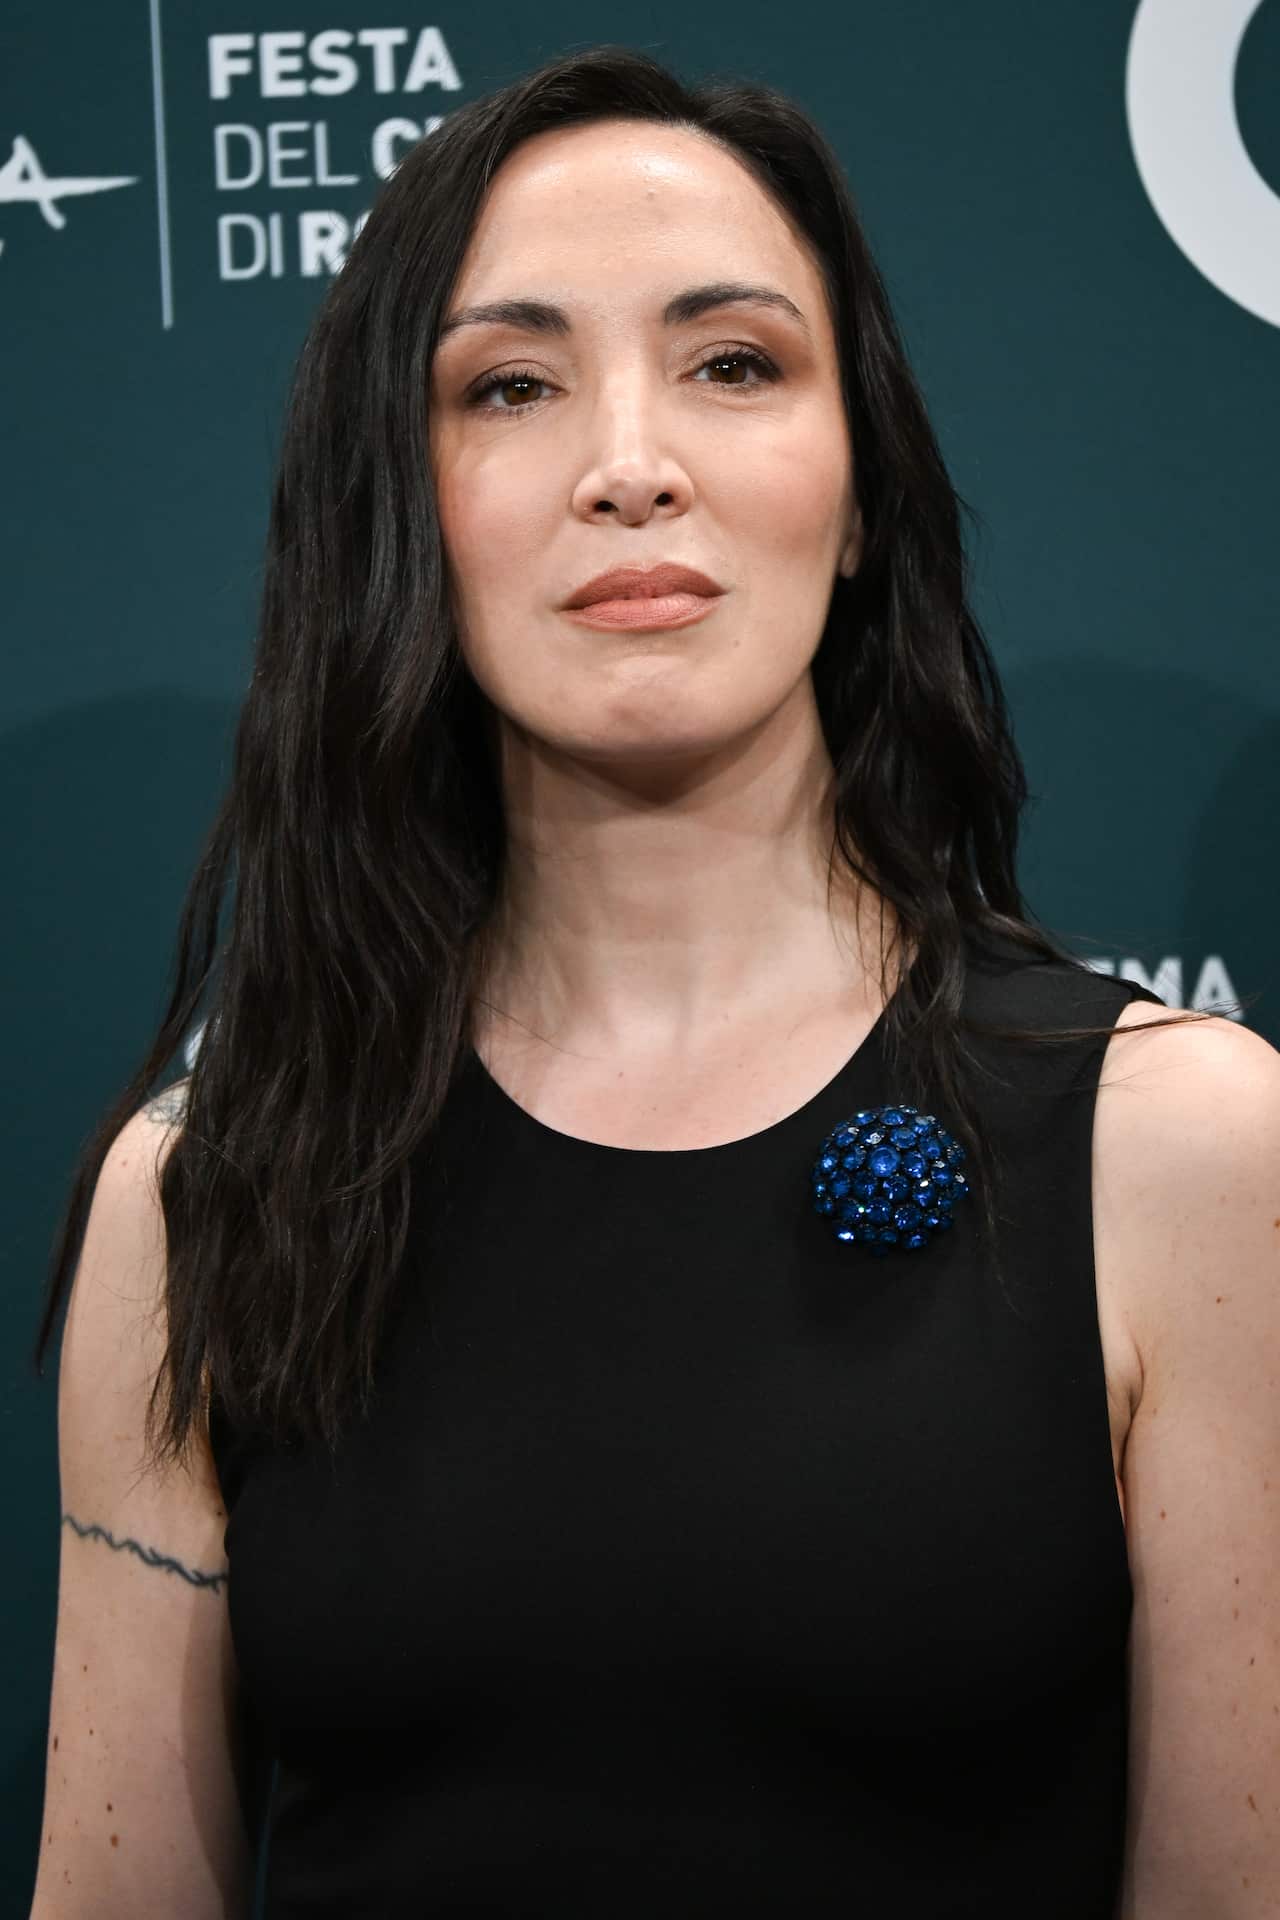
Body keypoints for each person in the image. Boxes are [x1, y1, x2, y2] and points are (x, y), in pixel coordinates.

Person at [28, 43, 1279, 1920]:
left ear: (859, 492)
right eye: (513, 386)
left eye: (734, 364)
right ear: (405, 504)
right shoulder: (208, 1192)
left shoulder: (1187, 1152)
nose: (632, 466)